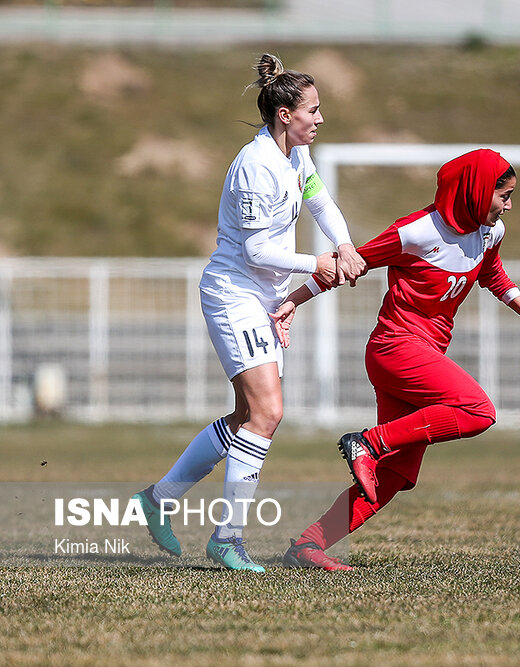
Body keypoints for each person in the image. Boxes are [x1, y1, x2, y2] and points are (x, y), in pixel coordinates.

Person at [273, 148, 520, 571]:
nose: (509, 204)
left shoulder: (491, 232)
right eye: (503, 195)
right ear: (475, 190)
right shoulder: (415, 231)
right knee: (478, 411)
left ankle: (308, 546)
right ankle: (367, 442)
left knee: (395, 475)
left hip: (424, 353)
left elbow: (493, 275)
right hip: (395, 348)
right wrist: (293, 301)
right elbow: (350, 264)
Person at [131, 53, 365, 572]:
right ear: (285, 114)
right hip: (233, 295)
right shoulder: (254, 166)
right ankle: (227, 538)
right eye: (314, 109)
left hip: (261, 298)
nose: (320, 118)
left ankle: (158, 499)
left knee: (247, 417)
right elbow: (258, 252)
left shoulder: (295, 158)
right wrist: (318, 262)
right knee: (268, 413)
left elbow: (321, 204)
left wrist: (344, 246)